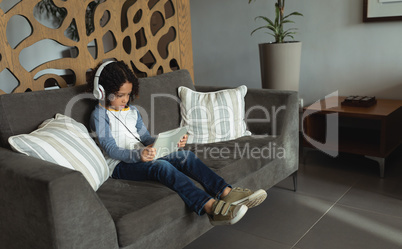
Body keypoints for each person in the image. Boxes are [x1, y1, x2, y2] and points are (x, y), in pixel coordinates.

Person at [87, 60, 267, 226]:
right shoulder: (99, 115)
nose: (125, 99)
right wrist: (138, 155)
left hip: (141, 153)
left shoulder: (132, 111)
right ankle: (211, 209)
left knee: (185, 155)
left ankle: (227, 193)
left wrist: (168, 143)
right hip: (119, 164)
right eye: (120, 95)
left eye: (128, 94)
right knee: (161, 167)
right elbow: (110, 149)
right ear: (102, 91)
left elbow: (146, 139)